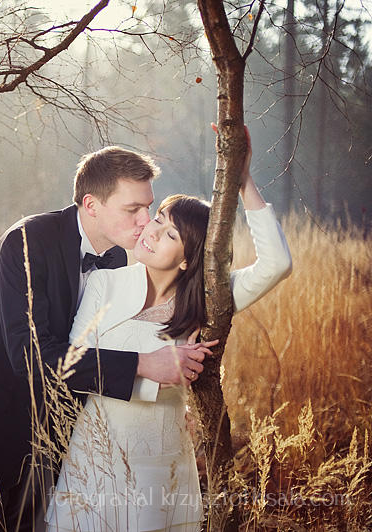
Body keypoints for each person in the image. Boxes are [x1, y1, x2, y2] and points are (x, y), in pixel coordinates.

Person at [0, 144, 217, 532]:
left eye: (149, 207)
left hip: (52, 437)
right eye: (133, 209)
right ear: (91, 204)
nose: (145, 220)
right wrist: (144, 366)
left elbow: (101, 343)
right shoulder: (26, 241)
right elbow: (30, 357)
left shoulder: (116, 259)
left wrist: (167, 406)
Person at [44, 126, 293, 532]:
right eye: (158, 219)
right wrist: (147, 369)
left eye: (170, 233)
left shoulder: (207, 303)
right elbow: (76, 362)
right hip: (91, 459)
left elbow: (277, 264)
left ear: (187, 260)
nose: (152, 230)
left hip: (156, 464)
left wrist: (243, 181)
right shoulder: (106, 281)